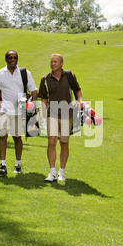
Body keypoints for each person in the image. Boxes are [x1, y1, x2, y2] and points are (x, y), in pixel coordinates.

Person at [0, 50, 38, 176]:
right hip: (3, 109)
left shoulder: (25, 73)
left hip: (19, 111)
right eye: (10, 57)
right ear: (6, 59)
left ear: (17, 59)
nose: (13, 59)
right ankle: (3, 165)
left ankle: (18, 164)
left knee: (17, 138)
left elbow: (34, 90)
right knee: (3, 135)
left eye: (15, 57)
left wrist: (32, 105)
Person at [38, 53, 83, 182]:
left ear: (61, 63)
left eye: (55, 62)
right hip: (51, 113)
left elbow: (77, 90)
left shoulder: (69, 76)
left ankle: (61, 172)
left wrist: (79, 100)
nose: (53, 64)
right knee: (52, 140)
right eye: (51, 61)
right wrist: (44, 116)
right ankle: (52, 172)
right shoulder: (45, 79)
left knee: (64, 143)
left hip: (66, 114)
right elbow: (44, 99)